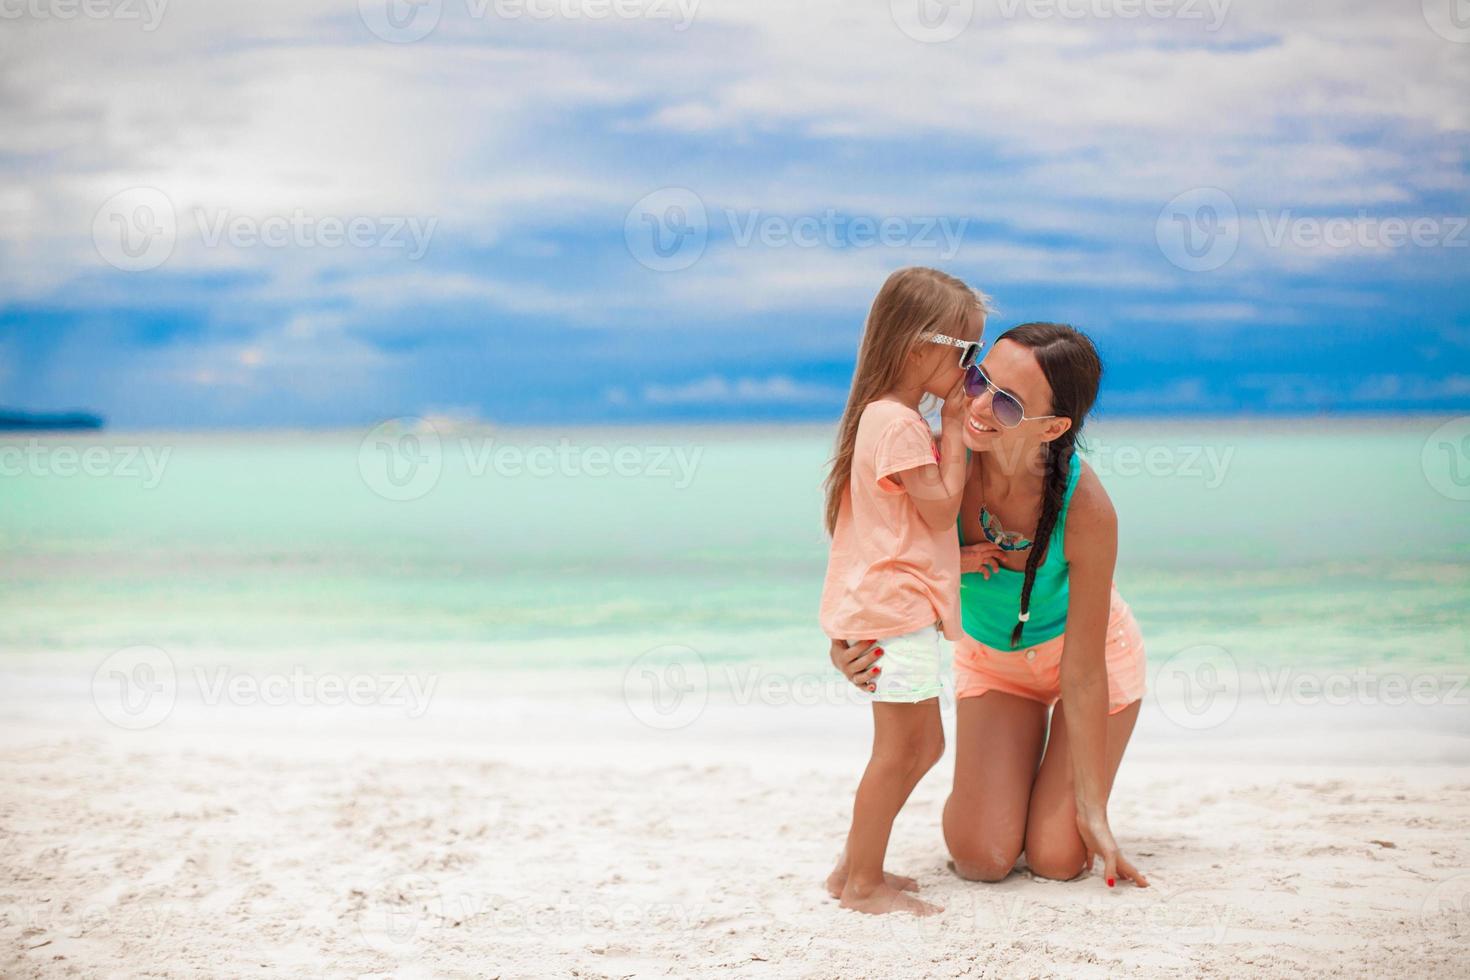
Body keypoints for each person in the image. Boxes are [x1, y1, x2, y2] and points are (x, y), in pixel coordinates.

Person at [830, 322, 1151, 890]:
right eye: (978, 379)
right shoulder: (931, 468)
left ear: (1052, 427)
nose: (978, 404)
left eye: (1006, 403)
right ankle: (1019, 774)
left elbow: (1083, 671)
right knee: (983, 857)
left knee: (1057, 857)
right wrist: (847, 640)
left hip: (1090, 662)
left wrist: (1092, 809)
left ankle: (1052, 793)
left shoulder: (1087, 509)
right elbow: (873, 559)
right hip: (994, 667)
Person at [818, 267, 990, 916]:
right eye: (966, 352)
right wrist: (954, 427)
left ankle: (853, 866)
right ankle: (863, 882)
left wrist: (966, 562)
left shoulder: (880, 418)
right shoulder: (899, 423)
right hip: (895, 615)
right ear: (918, 348)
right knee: (897, 753)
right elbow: (943, 509)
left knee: (927, 746)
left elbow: (899, 530)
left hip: (894, 607)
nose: (970, 370)